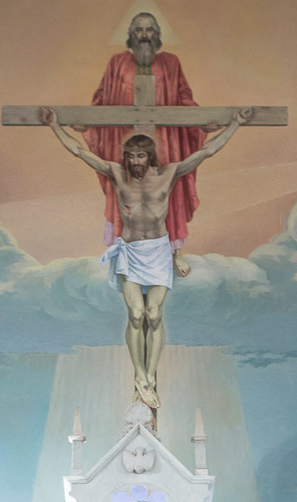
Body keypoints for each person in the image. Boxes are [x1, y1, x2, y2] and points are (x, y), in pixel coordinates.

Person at [43, 107, 250, 408]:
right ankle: (139, 375)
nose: (135, 162)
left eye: (140, 157)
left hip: (157, 252)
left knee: (154, 315)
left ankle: (150, 375)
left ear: (150, 156)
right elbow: (79, 151)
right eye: (131, 156)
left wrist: (235, 123)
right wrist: (53, 125)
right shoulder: (117, 174)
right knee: (136, 315)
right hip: (129, 252)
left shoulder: (168, 173)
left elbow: (206, 151)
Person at [87, 12, 204, 270]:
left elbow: (184, 97)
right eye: (139, 30)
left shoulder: (171, 63)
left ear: (157, 34)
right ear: (131, 34)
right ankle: (124, 250)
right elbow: (102, 98)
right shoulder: (117, 62)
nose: (144, 35)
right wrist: (87, 119)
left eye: (149, 30)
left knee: (165, 193)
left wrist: (201, 119)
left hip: (165, 141)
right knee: (127, 192)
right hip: (124, 141)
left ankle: (174, 252)